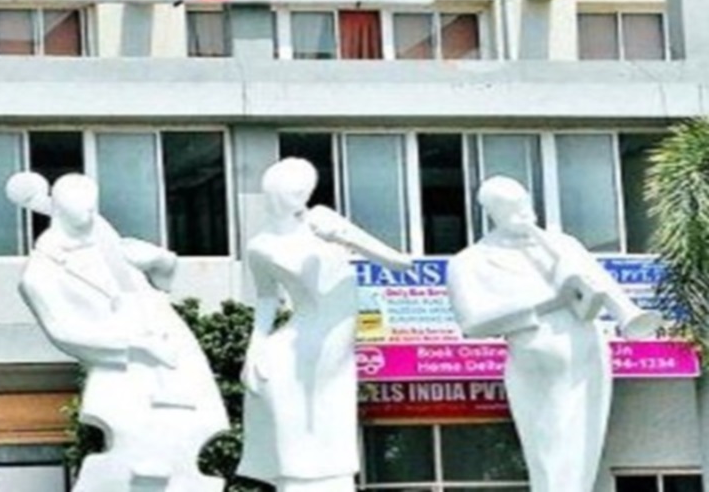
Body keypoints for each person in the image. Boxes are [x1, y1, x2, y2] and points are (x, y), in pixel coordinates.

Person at [7, 172, 228, 492]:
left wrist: (161, 261)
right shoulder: (40, 274)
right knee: (130, 458)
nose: (90, 215)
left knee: (181, 450)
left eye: (92, 207)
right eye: (80, 208)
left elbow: (158, 286)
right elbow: (64, 333)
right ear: (59, 209)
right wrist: (134, 346)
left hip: (172, 354)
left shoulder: (104, 237)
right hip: (122, 368)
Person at [448, 176, 659, 492]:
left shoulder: (564, 245)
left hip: (587, 351)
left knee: (584, 450)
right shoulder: (470, 261)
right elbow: (472, 323)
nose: (523, 212)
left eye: (524, 202)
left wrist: (620, 310)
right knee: (550, 449)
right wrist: (551, 301)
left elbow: (598, 284)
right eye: (510, 207)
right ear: (491, 212)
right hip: (536, 362)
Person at [238, 158, 412, 492]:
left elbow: (400, 264)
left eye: (302, 191)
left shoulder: (325, 221)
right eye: (289, 191)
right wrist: (254, 348)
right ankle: (294, 481)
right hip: (298, 341)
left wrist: (346, 238)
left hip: (334, 338)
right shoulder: (261, 246)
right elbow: (266, 298)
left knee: (329, 415)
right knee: (290, 414)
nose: (297, 198)